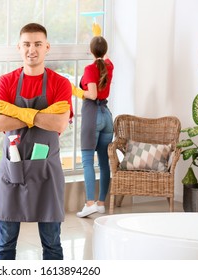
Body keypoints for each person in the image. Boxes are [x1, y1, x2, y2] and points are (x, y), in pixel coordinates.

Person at [0, 23, 73, 260]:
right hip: (12, 172)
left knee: (52, 244)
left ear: (47, 47)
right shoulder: (5, 82)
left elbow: (59, 124)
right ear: (19, 47)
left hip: (46, 172)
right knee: (5, 244)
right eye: (26, 44)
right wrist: (41, 115)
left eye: (37, 44)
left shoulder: (60, 83)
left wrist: (18, 113)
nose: (32, 50)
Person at [72, 35, 114, 218]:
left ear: (90, 51)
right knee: (104, 163)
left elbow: (92, 94)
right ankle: (101, 203)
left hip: (92, 115)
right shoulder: (109, 66)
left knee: (87, 161)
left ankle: (89, 204)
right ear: (105, 51)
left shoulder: (90, 69)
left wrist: (74, 90)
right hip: (106, 116)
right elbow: (106, 57)